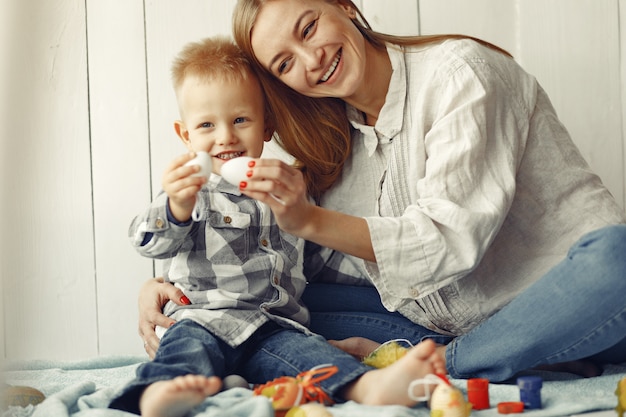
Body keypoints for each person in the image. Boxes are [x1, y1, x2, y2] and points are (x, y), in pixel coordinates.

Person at [138, 0, 626, 385]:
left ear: (344, 5)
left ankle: (452, 364)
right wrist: (183, 295)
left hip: (567, 301)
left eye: (308, 28)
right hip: (444, 321)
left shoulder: (461, 73)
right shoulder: (334, 143)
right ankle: (496, 356)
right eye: (285, 63)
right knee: (274, 308)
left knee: (619, 259)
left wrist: (308, 218)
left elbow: (445, 242)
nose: (311, 61)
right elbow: (291, 262)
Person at [111, 36, 445, 417]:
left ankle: (368, 386)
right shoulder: (192, 193)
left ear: (266, 126)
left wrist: (377, 269)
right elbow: (148, 241)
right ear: (187, 136)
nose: (226, 136)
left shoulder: (284, 191)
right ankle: (161, 393)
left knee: (311, 356)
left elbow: (317, 259)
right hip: (207, 318)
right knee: (186, 348)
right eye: (206, 125)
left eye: (240, 119)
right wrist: (175, 207)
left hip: (274, 326)